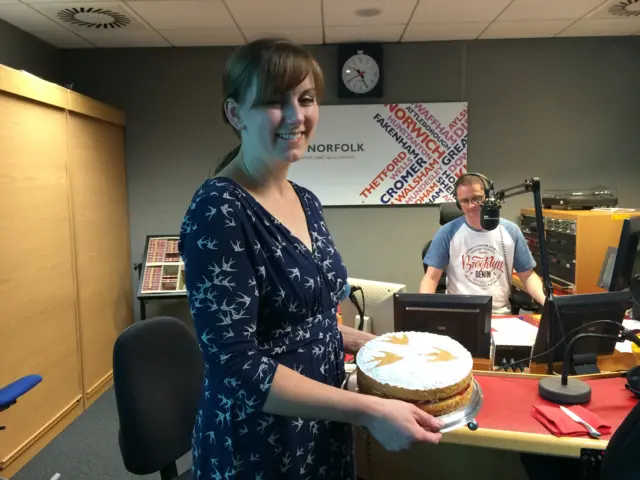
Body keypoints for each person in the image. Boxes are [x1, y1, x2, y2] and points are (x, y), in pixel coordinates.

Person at [178, 37, 444, 480]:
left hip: (321, 425)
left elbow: (306, 323)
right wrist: (368, 410)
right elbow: (236, 364)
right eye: (273, 101)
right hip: (259, 443)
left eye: (306, 99)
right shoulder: (219, 210)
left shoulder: (306, 200)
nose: (297, 116)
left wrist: (372, 345)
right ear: (234, 113)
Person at [420, 173, 546, 313]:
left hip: (499, 314)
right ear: (458, 203)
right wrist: (424, 312)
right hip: (458, 313)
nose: (471, 205)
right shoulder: (447, 232)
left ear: (487, 197)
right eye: (464, 201)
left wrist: (547, 303)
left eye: (476, 199)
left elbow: (527, 275)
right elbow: (431, 278)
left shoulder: (511, 231)